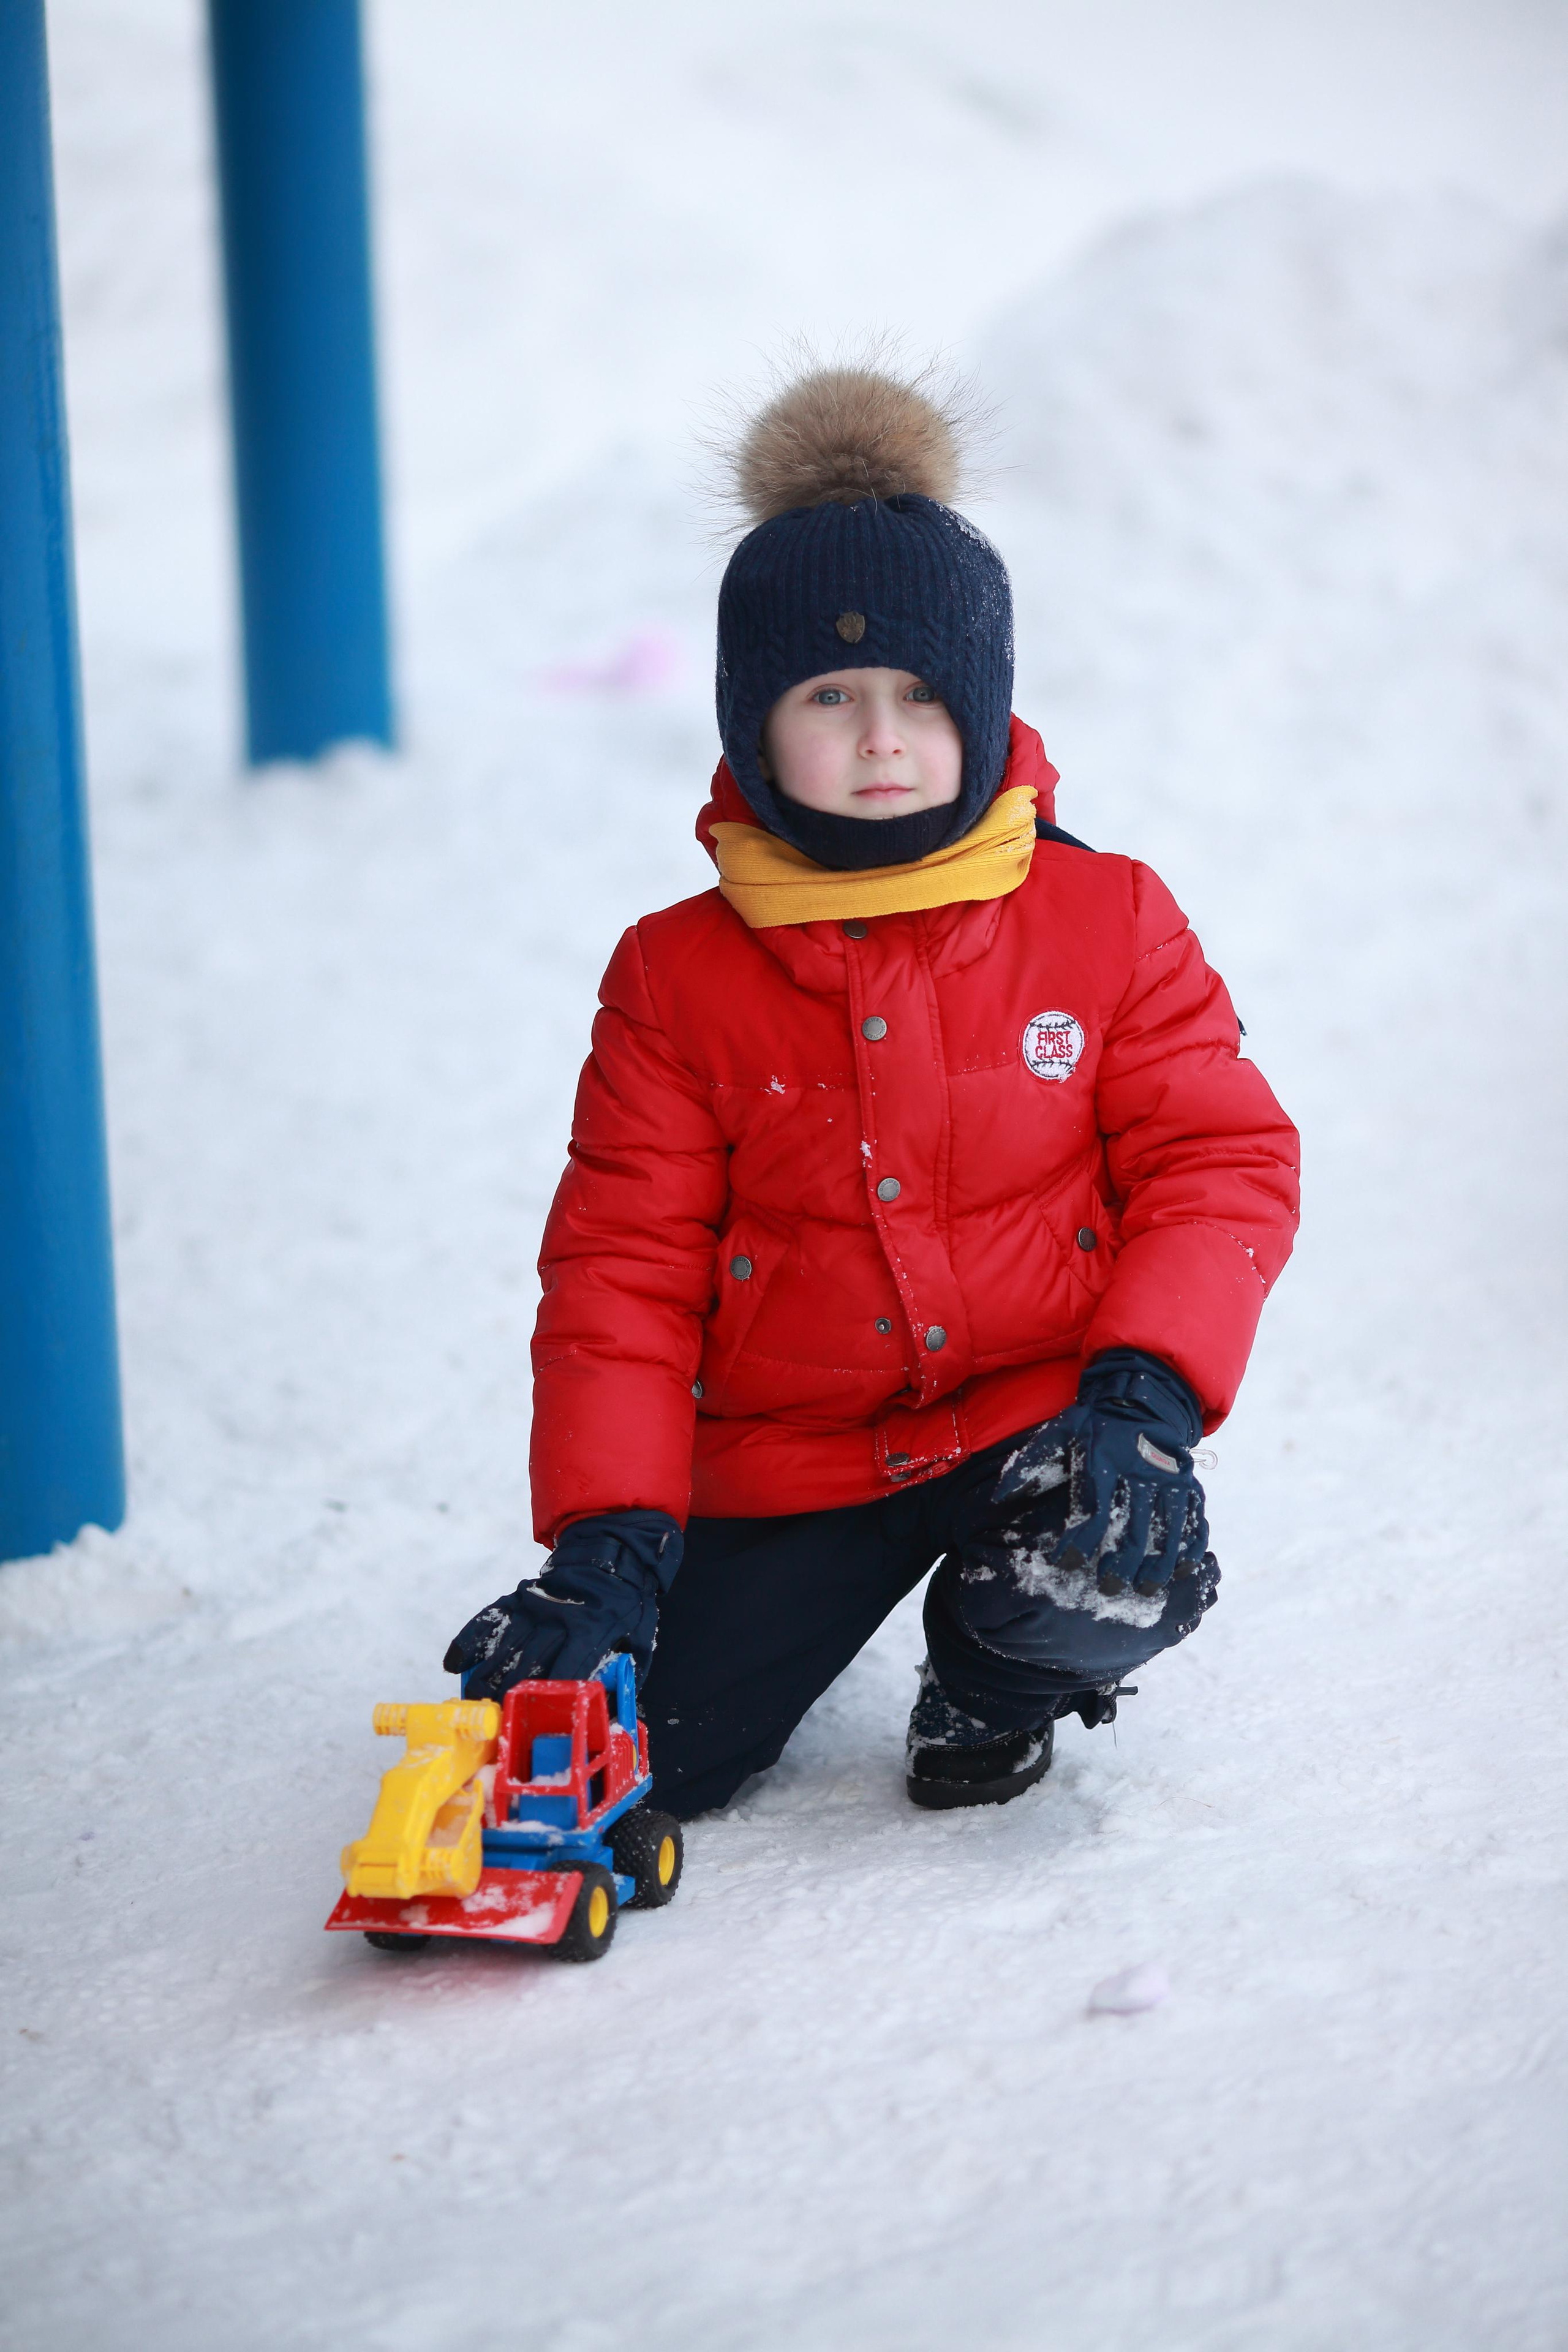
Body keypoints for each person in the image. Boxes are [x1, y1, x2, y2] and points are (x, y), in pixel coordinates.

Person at [445, 366, 1300, 1817]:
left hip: (1042, 1418)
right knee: (645, 1765)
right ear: (749, 723)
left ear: (980, 706)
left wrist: (1143, 1397)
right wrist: (607, 1543)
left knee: (1099, 1560)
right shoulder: (672, 977)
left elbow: (1216, 1163)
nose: (881, 737)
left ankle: (992, 1677)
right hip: (796, 1454)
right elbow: (621, 1275)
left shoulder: (1105, 919)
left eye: (918, 695)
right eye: (828, 696)